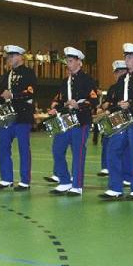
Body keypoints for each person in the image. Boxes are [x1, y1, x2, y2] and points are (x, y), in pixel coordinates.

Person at [101, 43, 133, 200]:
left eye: (130, 57)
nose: (127, 59)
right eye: (126, 56)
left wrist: (130, 103)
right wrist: (112, 106)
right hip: (121, 121)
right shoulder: (122, 78)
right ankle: (115, 187)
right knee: (112, 150)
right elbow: (115, 99)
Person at [47, 47, 98, 195]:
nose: (68, 64)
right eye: (67, 62)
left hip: (81, 121)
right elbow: (59, 99)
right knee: (57, 149)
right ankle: (64, 181)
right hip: (65, 121)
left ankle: (77, 185)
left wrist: (79, 104)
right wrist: (55, 107)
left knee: (78, 153)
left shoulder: (88, 80)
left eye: (70, 61)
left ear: (79, 62)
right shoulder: (65, 82)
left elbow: (94, 100)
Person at [0, 45, 37, 191]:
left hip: (22, 115)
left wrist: (13, 95)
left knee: (24, 148)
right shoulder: (7, 75)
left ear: (20, 56)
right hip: (7, 115)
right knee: (3, 146)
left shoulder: (28, 73)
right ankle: (6, 178)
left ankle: (25, 180)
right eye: (8, 57)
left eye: (12, 56)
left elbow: (30, 92)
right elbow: (1, 92)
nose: (9, 59)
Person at [97, 60, 128, 176]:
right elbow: (106, 102)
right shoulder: (112, 88)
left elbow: (117, 103)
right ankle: (106, 166)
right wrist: (103, 107)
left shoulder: (127, 87)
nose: (116, 75)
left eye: (119, 72)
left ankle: (123, 170)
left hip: (123, 118)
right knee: (106, 141)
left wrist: (109, 106)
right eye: (115, 72)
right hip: (110, 118)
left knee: (123, 146)